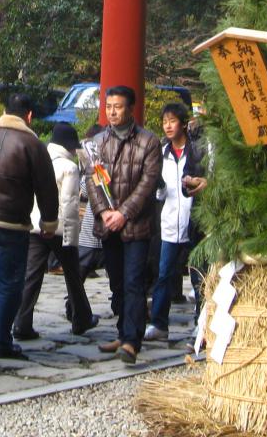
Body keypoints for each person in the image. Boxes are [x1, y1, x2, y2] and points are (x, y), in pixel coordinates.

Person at [0, 93, 59, 359]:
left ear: (3, 110)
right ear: (29, 116)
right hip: (12, 221)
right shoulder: (32, 144)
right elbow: (47, 189)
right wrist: (49, 222)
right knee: (11, 282)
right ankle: (0, 340)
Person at [86, 85, 161, 364]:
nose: (112, 112)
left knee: (133, 281)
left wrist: (124, 213)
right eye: (108, 107)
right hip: (109, 224)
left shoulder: (148, 141)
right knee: (116, 281)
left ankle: (131, 340)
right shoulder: (98, 141)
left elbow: (147, 184)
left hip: (136, 225)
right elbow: (92, 179)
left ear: (131, 109)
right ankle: (122, 331)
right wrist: (104, 211)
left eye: (118, 107)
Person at [14, 121, 98, 340]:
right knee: (73, 276)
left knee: (32, 275)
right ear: (69, 145)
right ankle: (81, 318)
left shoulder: (37, 158)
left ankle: (21, 322)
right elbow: (69, 204)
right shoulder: (69, 167)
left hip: (35, 224)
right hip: (59, 227)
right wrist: (72, 238)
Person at [145, 102, 208, 343]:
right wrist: (159, 187)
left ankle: (201, 324)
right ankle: (159, 323)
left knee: (198, 276)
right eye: (164, 122)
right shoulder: (162, 152)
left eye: (172, 121)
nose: (168, 126)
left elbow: (208, 180)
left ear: (183, 123)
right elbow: (159, 194)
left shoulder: (198, 150)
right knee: (164, 275)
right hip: (170, 221)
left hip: (195, 221)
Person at [77, 124, 107, 278]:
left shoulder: (99, 166)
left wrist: (88, 173)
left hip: (96, 220)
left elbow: (86, 189)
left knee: (82, 266)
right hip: (101, 222)